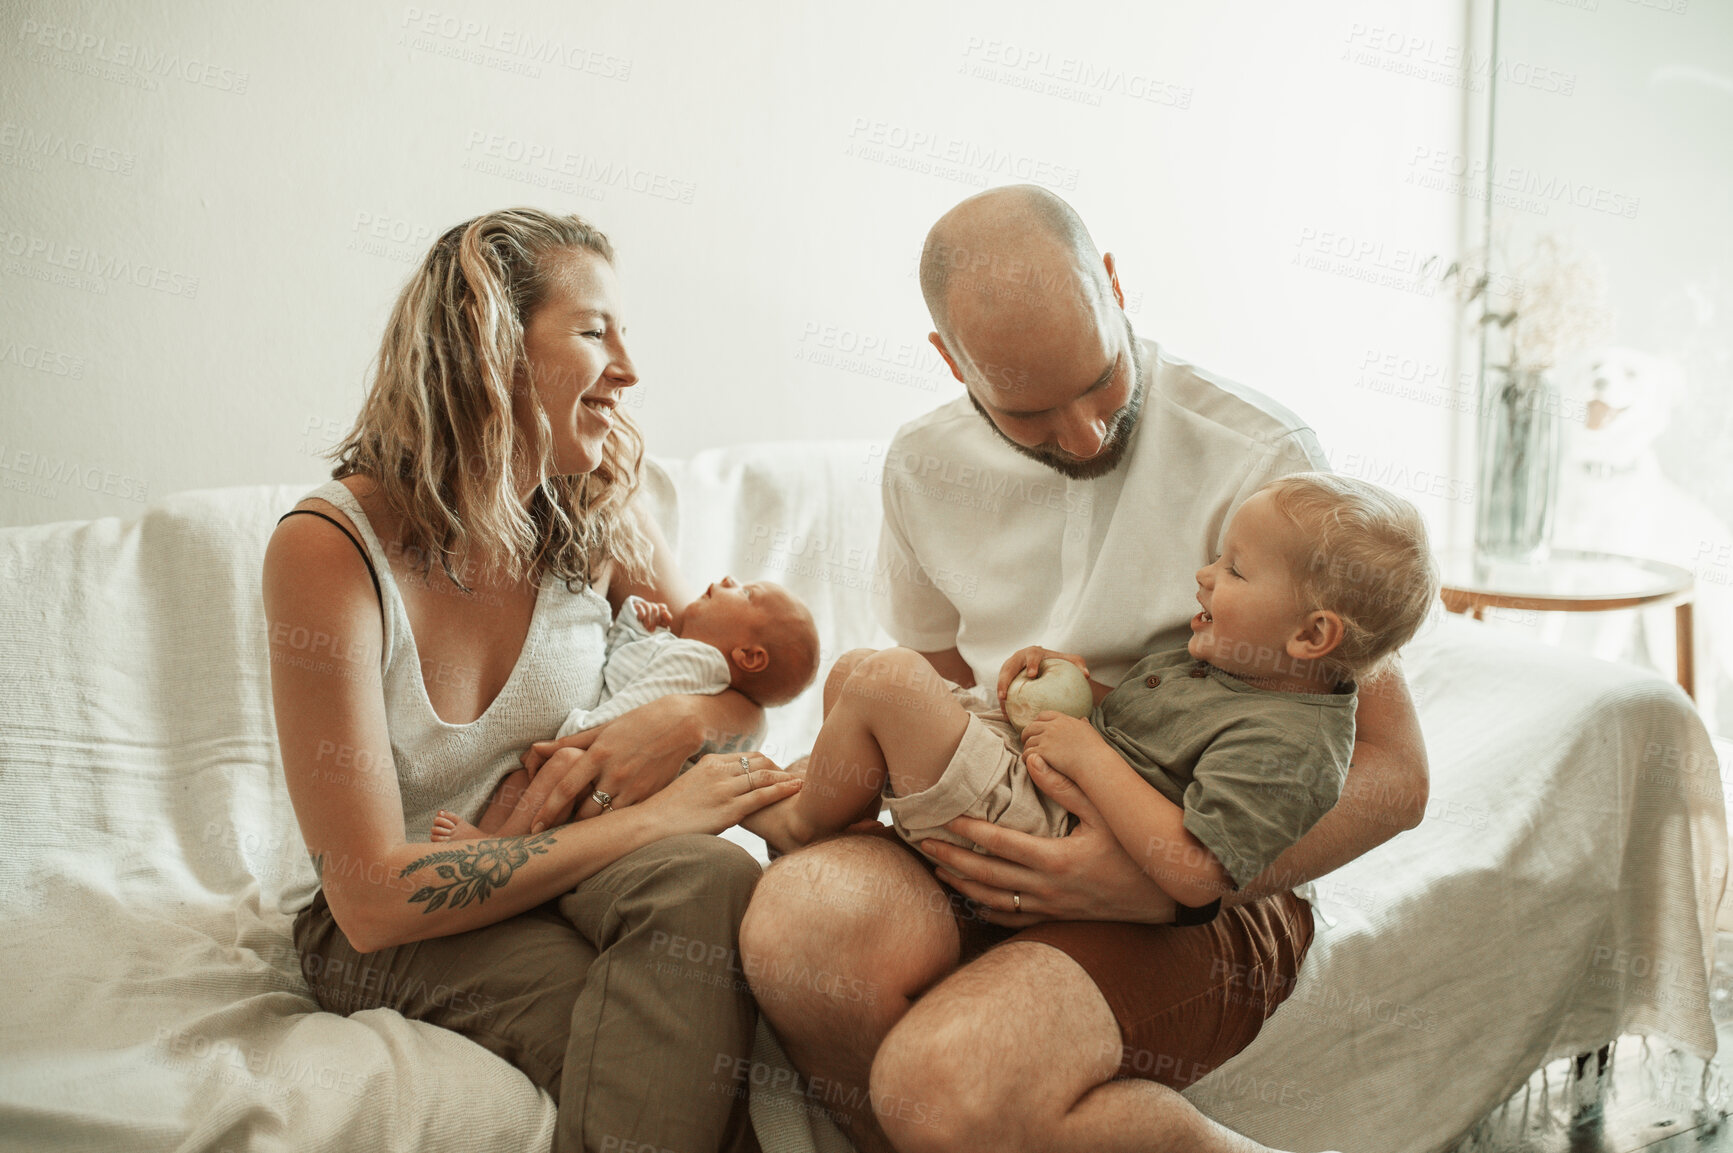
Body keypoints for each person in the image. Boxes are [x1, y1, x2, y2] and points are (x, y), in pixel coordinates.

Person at [738, 186, 1431, 1153]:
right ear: (950, 361)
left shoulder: (1261, 459)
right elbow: (944, 696)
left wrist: (1163, 882)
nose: (1085, 436)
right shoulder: (921, 467)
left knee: (943, 1083)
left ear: (1112, 284)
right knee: (798, 926)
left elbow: (1393, 773)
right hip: (1009, 825)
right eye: (1027, 411)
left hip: (1199, 887)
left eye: (1100, 381)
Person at [266, 208, 802, 1153]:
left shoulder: (595, 503)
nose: (629, 370)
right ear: (492, 350)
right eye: (596, 332)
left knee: (707, 877)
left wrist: (678, 720)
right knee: (674, 1050)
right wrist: (650, 819)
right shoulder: (331, 548)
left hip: (568, 866)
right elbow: (370, 896)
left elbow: (735, 686)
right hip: (396, 925)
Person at [744, 474, 1438, 915]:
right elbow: (1142, 724)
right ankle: (845, 815)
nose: (1202, 575)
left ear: (1311, 635)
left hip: (1055, 824)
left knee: (885, 681)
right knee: (854, 672)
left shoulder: (1291, 746)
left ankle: (806, 825)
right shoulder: (1237, 663)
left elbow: (1196, 872)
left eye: (1233, 569)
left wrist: (1085, 755)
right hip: (1044, 771)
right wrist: (1072, 685)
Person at [433, 577, 820, 842]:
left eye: (748, 595)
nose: (727, 581)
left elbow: (634, 715)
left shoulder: (698, 663)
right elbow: (616, 665)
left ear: (749, 656)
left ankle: (499, 848)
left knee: (563, 761)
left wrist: (576, 733)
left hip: (615, 772)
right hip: (608, 766)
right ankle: (487, 841)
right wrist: (635, 623)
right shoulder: (676, 650)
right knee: (518, 781)